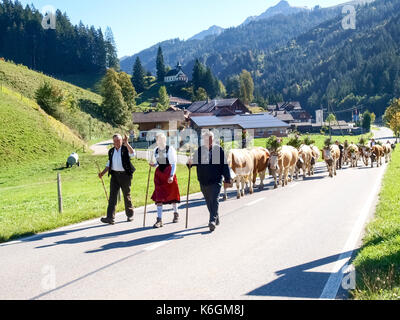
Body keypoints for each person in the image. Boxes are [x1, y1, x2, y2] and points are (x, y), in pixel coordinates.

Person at [187, 131, 232, 232]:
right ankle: (215, 215)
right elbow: (194, 162)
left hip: (216, 180)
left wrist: (227, 178)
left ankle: (212, 220)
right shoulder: (199, 150)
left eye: (210, 138)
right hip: (203, 180)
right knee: (208, 201)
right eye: (206, 139)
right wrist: (189, 163)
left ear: (213, 139)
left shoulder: (218, 150)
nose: (208, 140)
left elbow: (224, 165)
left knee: (214, 199)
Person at [98, 134, 136, 225]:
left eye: (118, 141)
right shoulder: (111, 151)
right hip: (114, 175)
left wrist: (127, 143)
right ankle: (110, 217)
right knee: (112, 197)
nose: (117, 143)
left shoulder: (125, 148)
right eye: (115, 141)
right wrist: (102, 173)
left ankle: (130, 215)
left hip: (125, 175)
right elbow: (109, 163)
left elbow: (133, 154)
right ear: (113, 142)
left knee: (126, 195)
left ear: (121, 141)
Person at [150, 133, 181, 228]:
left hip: (169, 173)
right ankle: (159, 220)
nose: (158, 141)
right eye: (157, 140)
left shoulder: (170, 149)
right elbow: (159, 163)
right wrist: (154, 165)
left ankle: (176, 213)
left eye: (160, 140)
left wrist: (172, 175)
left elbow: (174, 163)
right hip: (159, 175)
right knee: (158, 196)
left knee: (172, 195)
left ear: (164, 140)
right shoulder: (155, 150)